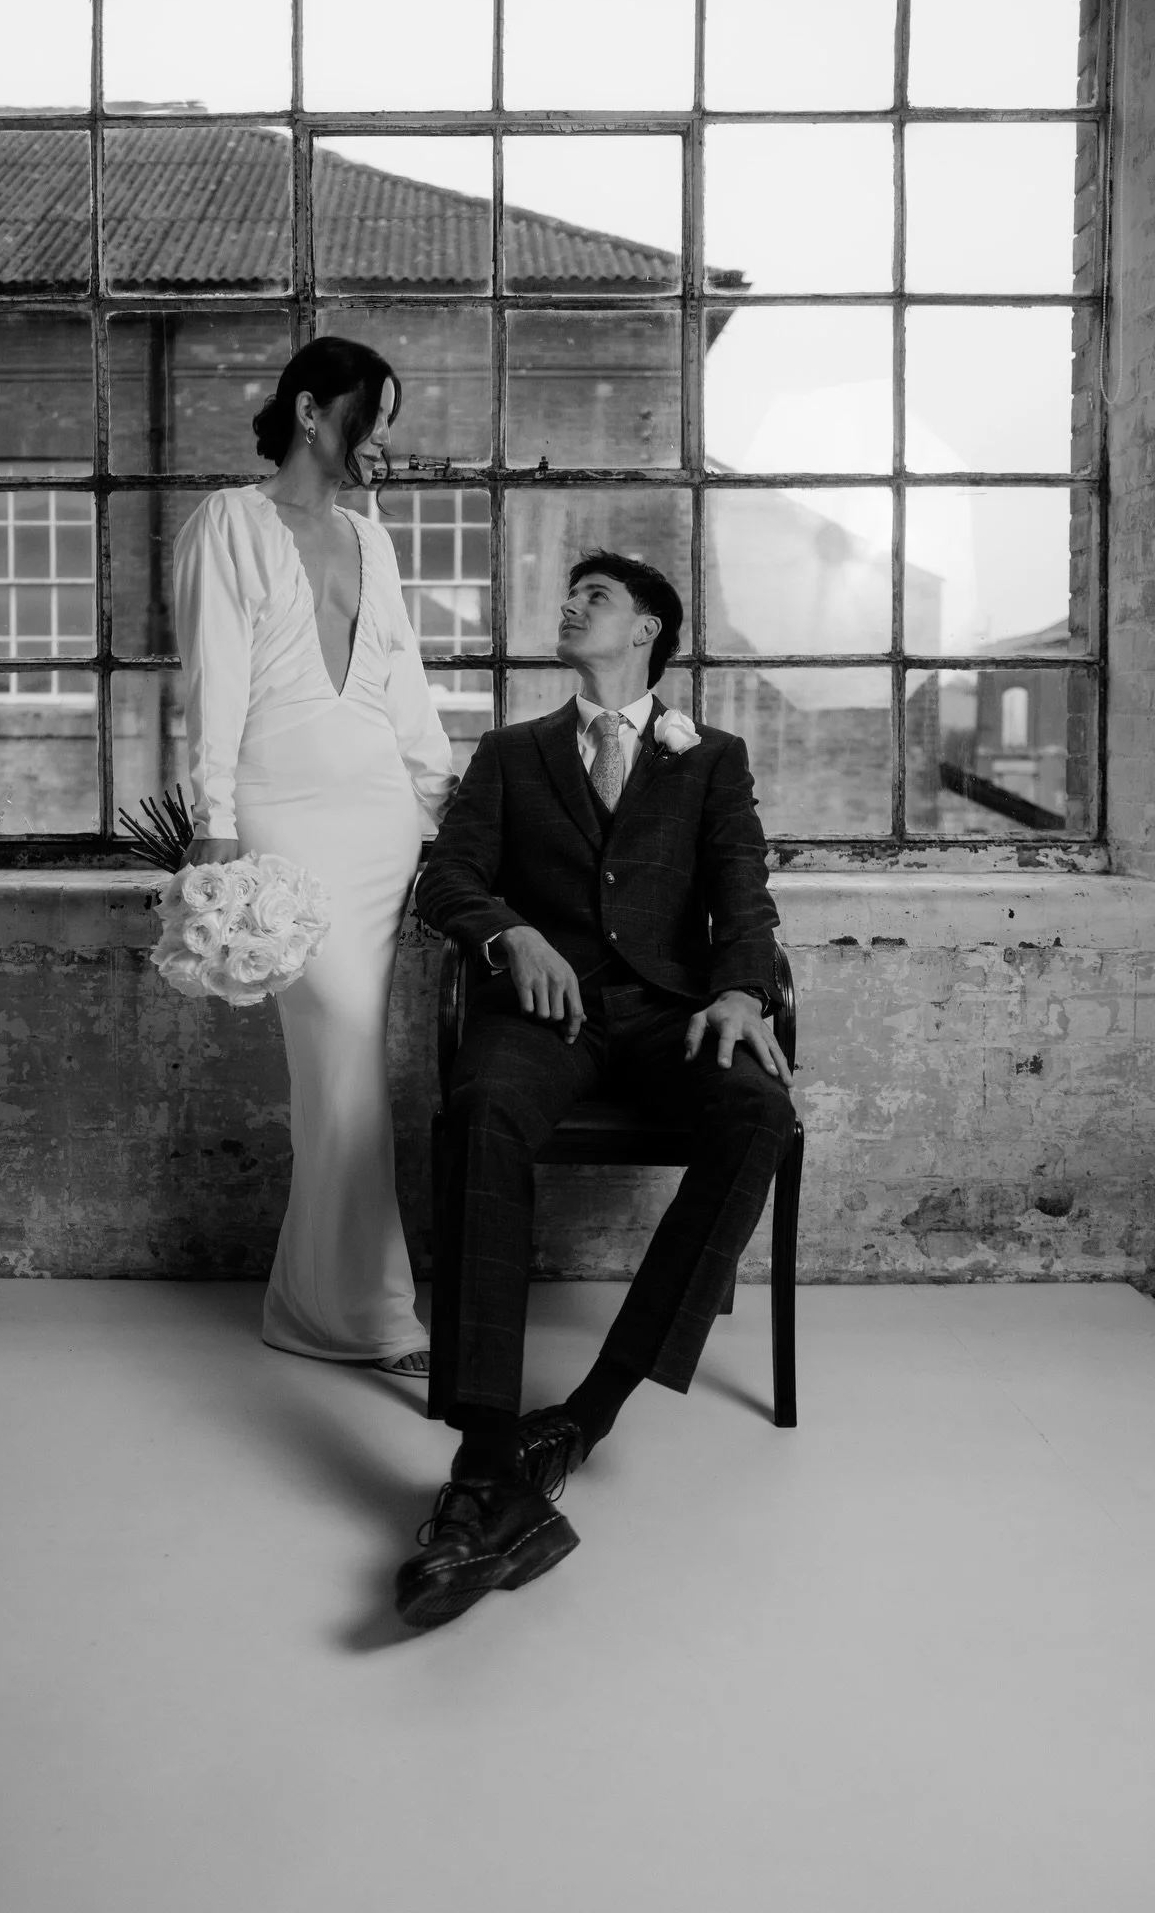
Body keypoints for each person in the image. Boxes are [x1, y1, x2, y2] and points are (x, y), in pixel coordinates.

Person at [394, 550, 797, 1625]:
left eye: (597, 598)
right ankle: (486, 1463)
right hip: (546, 1015)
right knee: (482, 1111)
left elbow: (743, 894)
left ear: (649, 629)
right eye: (570, 597)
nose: (571, 607)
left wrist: (742, 992)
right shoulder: (511, 752)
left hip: (670, 1014)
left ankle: (588, 1413)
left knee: (760, 1111)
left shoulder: (712, 758)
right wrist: (510, 934)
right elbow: (446, 879)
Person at [173, 337, 458, 1376]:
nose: (382, 441)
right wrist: (214, 820)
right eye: (370, 417)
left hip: (382, 821)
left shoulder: (371, 538)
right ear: (309, 411)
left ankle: (319, 1302)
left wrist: (441, 810)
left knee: (355, 1058)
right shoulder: (228, 523)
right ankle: (363, 1312)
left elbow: (403, 686)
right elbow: (213, 679)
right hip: (281, 814)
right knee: (340, 1051)